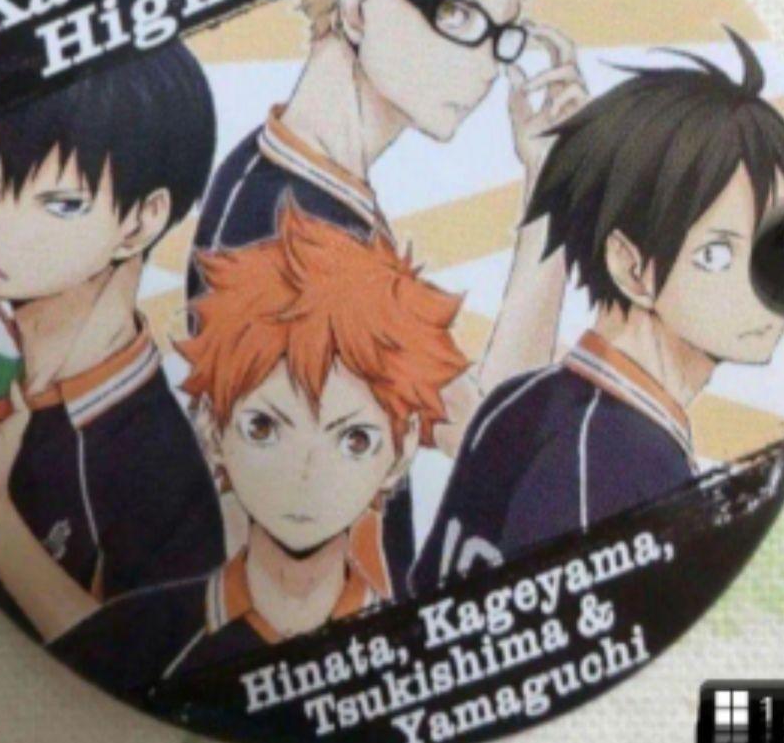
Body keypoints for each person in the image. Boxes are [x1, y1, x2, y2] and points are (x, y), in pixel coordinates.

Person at [188, 0, 587, 596]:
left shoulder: (288, 179)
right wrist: (552, 186)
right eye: (456, 15)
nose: (485, 68)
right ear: (356, 2)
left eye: (499, 38)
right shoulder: (303, 227)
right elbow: (493, 441)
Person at [411, 29, 784, 594]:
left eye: (782, 245)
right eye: (717, 253)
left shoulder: (524, 403)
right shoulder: (619, 459)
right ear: (632, 267)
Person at [36, 203, 470, 696]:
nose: (305, 472)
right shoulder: (133, 638)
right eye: (264, 428)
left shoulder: (425, 661)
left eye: (354, 439)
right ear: (212, 427)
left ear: (402, 449)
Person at [0, 42, 226, 624]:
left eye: (60, 204)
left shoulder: (158, 472)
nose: (0, 227)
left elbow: (140, 665)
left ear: (142, 220)